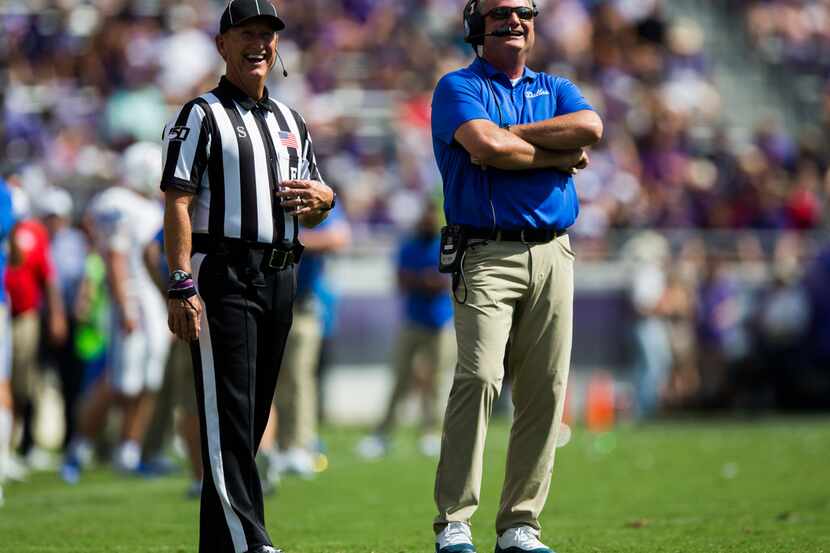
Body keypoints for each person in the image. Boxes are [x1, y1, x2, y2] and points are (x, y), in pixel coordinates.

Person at [161, 2, 335, 552]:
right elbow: (179, 201)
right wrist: (182, 281)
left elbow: (310, 201)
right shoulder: (201, 115)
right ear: (222, 44)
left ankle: (222, 542)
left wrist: (325, 201)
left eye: (267, 34)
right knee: (230, 416)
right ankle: (249, 541)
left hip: (282, 275)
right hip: (225, 274)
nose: (259, 43)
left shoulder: (291, 120)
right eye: (247, 34)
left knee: (252, 418)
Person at [429, 0, 603, 551]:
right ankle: (455, 520)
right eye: (501, 11)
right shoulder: (457, 87)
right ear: (475, 25)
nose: (514, 21)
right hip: (485, 251)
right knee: (480, 377)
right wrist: (556, 155)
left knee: (546, 391)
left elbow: (590, 127)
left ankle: (519, 525)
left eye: (524, 11)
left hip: (554, 251)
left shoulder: (555, 85)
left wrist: (515, 137)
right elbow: (485, 146)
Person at [68, 141, 170, 477]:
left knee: (149, 381)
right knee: (119, 382)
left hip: (154, 302)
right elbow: (114, 257)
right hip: (133, 300)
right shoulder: (118, 203)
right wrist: (125, 304)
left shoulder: (151, 207)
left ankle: (129, 450)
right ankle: (79, 447)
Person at [356, 199, 455, 459]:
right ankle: (383, 433)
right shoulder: (409, 246)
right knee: (401, 379)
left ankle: (430, 433)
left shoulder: (444, 245)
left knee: (434, 381)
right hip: (413, 321)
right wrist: (427, 281)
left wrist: (422, 280)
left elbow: (446, 282)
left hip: (440, 323)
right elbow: (403, 279)